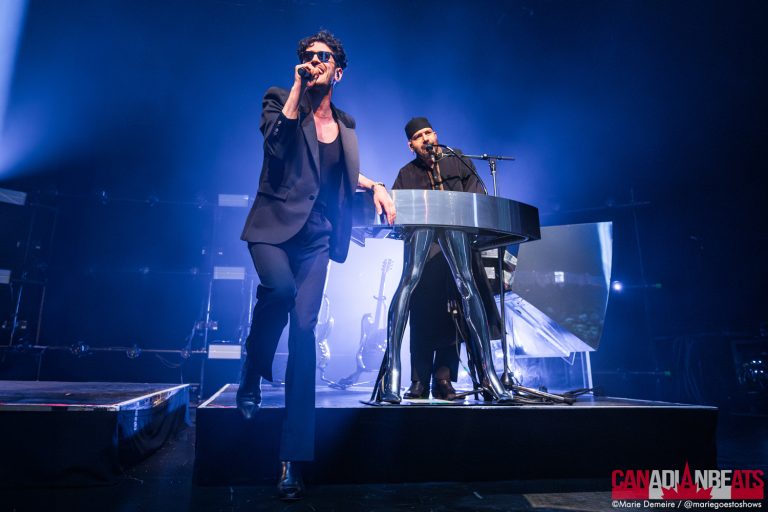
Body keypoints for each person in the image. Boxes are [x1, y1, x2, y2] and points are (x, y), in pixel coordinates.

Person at [238, 30, 395, 501]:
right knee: (280, 292)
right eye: (308, 56)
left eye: (323, 57)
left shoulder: (346, 124)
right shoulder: (280, 99)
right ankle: (253, 367)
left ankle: (292, 460)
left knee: (304, 332)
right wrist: (296, 88)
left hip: (316, 238)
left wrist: (377, 185)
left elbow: (344, 172)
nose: (314, 61)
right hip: (272, 227)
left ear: (338, 71)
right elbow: (276, 144)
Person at [391, 117, 501, 400]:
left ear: (436, 135)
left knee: (455, 316)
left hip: (458, 249)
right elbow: (398, 214)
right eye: (419, 136)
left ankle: (443, 379)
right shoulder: (406, 174)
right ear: (411, 145)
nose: (426, 138)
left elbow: (476, 197)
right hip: (426, 256)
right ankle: (418, 381)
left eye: (428, 132)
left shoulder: (458, 160)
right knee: (422, 316)